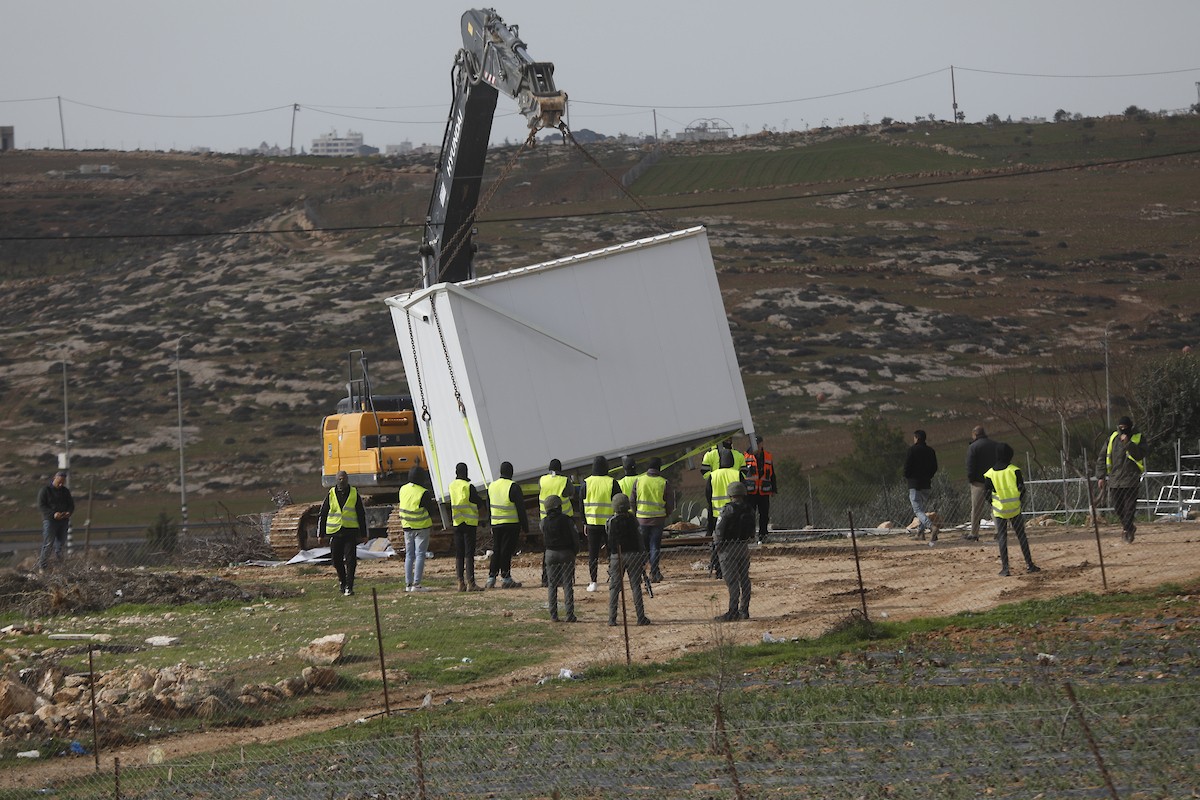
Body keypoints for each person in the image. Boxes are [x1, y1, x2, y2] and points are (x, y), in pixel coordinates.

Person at [983, 443, 1040, 577]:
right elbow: (1022, 489)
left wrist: (992, 503)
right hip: (1015, 509)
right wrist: (1018, 500)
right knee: (1021, 536)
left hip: (999, 510)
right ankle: (1029, 564)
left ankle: (1005, 568)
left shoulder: (989, 473)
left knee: (1002, 537)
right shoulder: (1015, 470)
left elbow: (986, 493)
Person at [318, 470, 368, 596]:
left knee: (351, 560)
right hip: (335, 532)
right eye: (340, 479)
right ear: (336, 480)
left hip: (350, 532)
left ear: (347, 479)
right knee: (336, 560)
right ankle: (342, 581)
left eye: (344, 478)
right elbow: (323, 514)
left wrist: (364, 534)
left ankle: (349, 586)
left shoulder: (354, 493)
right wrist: (321, 534)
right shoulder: (331, 494)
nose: (342, 481)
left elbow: (361, 514)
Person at [1098, 415, 1145, 543]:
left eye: (1125, 427)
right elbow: (1102, 457)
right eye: (1121, 427)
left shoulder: (1138, 437)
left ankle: (1126, 532)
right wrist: (1101, 476)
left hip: (1131, 479)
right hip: (1114, 480)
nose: (1123, 429)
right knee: (1117, 507)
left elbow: (1140, 454)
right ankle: (1130, 527)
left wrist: (1128, 443)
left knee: (1129, 508)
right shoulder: (1112, 438)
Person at [713, 481, 756, 621]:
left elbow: (719, 529)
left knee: (732, 581)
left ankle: (733, 611)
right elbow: (752, 530)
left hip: (728, 548)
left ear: (730, 494)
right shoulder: (749, 509)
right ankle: (745, 610)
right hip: (743, 547)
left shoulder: (727, 509)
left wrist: (717, 546)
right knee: (745, 579)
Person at [605, 493, 650, 626]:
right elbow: (639, 538)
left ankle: (612, 618)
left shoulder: (611, 521)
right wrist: (643, 557)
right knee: (636, 586)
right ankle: (640, 617)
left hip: (616, 555)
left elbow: (609, 539)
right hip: (633, 554)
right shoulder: (633, 520)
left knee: (614, 587)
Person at [582, 455, 621, 593]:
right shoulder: (612, 483)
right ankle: (614, 579)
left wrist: (584, 522)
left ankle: (593, 582)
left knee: (593, 554)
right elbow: (618, 502)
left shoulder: (586, 483)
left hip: (592, 523)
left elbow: (581, 505)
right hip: (609, 524)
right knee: (613, 551)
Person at [486, 461, 528, 589]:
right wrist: (525, 526)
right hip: (511, 524)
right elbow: (521, 508)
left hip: (496, 524)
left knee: (497, 550)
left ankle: (491, 577)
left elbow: (489, 507)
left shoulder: (492, 486)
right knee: (506, 551)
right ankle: (506, 577)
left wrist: (490, 524)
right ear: (511, 472)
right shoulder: (513, 486)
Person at [398, 465, 440, 592]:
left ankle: (408, 584)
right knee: (420, 554)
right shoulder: (423, 492)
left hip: (407, 527)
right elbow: (431, 511)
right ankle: (417, 584)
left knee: (409, 555)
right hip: (421, 527)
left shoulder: (403, 489)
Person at [631, 457, 673, 582]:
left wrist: (636, 514)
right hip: (658, 520)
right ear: (659, 468)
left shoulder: (639, 481)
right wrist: (666, 514)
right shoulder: (664, 482)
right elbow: (670, 503)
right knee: (655, 546)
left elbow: (632, 500)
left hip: (642, 519)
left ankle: (640, 572)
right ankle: (654, 573)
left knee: (643, 547)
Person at [538, 459, 578, 587]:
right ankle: (564, 579)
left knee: (548, 548)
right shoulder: (564, 481)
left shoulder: (542, 480)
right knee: (564, 548)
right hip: (563, 519)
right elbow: (571, 493)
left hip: (545, 519)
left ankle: (546, 579)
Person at [541, 494, 580, 622]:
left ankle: (553, 615)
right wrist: (574, 551)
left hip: (550, 553)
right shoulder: (567, 520)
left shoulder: (544, 522)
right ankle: (570, 615)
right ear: (558, 507)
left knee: (552, 585)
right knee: (567, 584)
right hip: (566, 552)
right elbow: (575, 537)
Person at [447, 462, 485, 592]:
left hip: (457, 523)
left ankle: (460, 582)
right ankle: (471, 583)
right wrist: (482, 503)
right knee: (469, 553)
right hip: (469, 523)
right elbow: (476, 501)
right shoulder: (468, 486)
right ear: (466, 472)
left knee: (459, 553)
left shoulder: (451, 486)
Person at [705, 449, 742, 579]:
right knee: (735, 541)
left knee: (718, 542)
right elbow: (744, 492)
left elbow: (708, 495)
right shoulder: (737, 474)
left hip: (717, 514)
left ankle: (718, 569)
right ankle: (736, 569)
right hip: (735, 514)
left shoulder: (713, 475)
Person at [965, 426, 1002, 541]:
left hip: (978, 482)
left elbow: (970, 465)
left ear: (974, 434)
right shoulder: (995, 445)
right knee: (995, 507)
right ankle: (999, 531)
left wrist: (971, 479)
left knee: (976, 508)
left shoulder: (973, 447)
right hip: (994, 480)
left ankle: (974, 533)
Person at [903, 429, 939, 542]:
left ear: (916, 438)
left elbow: (907, 467)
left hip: (914, 484)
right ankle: (920, 533)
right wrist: (928, 476)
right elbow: (935, 467)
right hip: (926, 484)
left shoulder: (912, 450)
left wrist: (908, 476)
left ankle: (931, 527)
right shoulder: (930, 451)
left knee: (917, 510)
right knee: (922, 509)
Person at [36, 470, 75, 572]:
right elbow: (41, 506)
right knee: (48, 543)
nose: (61, 484)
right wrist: (53, 514)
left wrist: (68, 512)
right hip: (50, 520)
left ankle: (60, 565)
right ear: (54, 478)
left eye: (63, 482)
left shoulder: (65, 491)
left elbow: (71, 505)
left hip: (63, 521)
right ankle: (43, 566)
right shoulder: (45, 490)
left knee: (61, 544)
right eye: (59, 481)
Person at [743, 438, 777, 544]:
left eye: (759, 443)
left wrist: (774, 489)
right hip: (750, 492)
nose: (757, 445)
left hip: (764, 491)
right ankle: (750, 536)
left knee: (764, 515)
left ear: (762, 444)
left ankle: (763, 535)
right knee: (750, 515)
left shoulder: (767, 456)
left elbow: (772, 474)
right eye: (755, 443)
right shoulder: (745, 456)